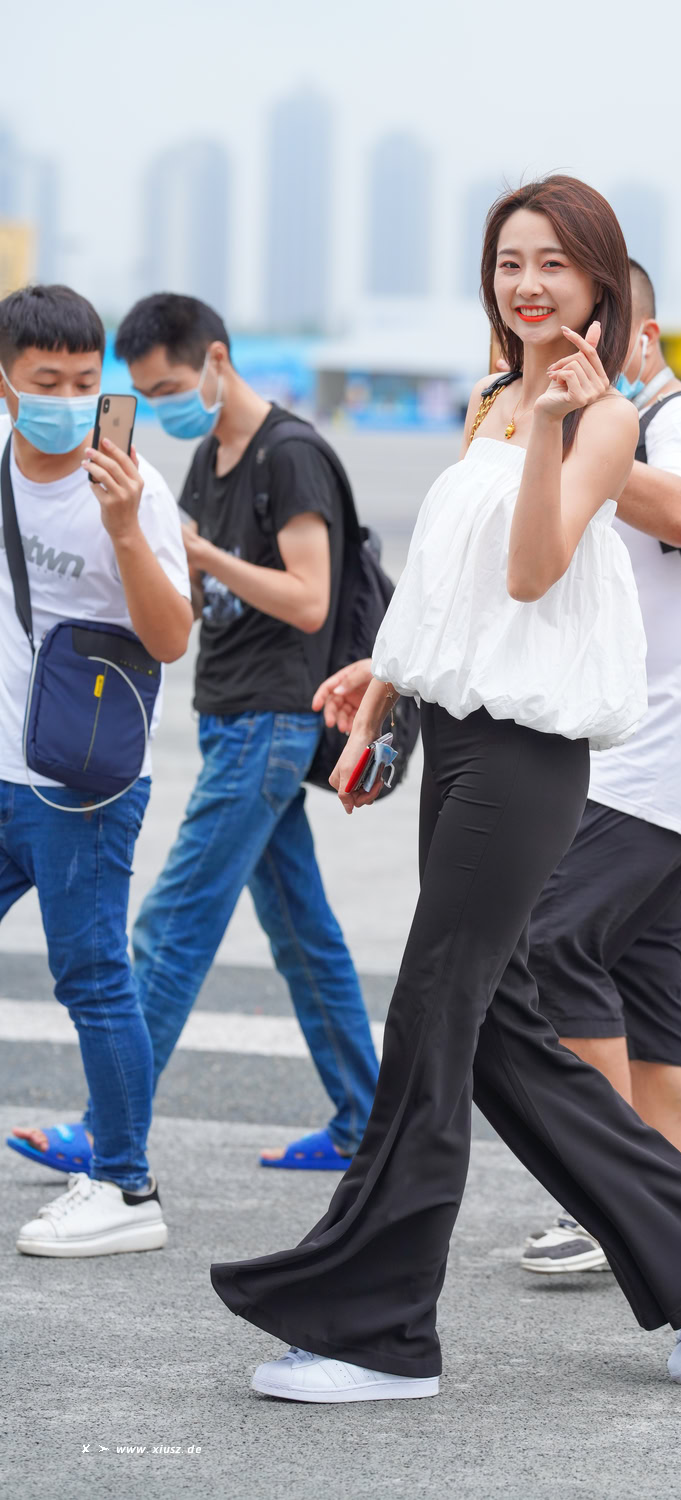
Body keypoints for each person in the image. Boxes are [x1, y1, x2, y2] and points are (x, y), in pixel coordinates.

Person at [208, 176, 681, 1405]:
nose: (527, 285)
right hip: (458, 737)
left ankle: (379, 1333)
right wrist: (381, 685)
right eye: (509, 262)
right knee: (502, 1033)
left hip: (528, 759)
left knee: (432, 1016)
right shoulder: (486, 398)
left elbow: (532, 572)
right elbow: (448, 578)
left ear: (598, 284)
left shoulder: (608, 421)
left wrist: (557, 429)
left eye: (553, 265)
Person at [8, 294, 379, 1177]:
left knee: (171, 927)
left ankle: (107, 1137)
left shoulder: (288, 455)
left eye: (168, 388)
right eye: (143, 394)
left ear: (215, 360)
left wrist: (199, 554)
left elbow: (311, 600)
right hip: (233, 716)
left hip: (271, 722)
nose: (158, 406)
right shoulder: (213, 455)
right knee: (303, 934)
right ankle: (365, 1121)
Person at [520, 257, 681, 1274]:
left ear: (642, 339)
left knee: (550, 941)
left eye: (595, 335)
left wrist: (590, 429)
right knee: (645, 973)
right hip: (632, 748)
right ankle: (674, 1205)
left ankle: (613, 1200)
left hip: (662, 752)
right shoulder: (606, 425)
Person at [0, 284, 192, 1255]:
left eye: (86, 382)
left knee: (93, 979)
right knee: (96, 977)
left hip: (80, 784)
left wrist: (120, 528)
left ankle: (124, 1186)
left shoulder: (133, 489)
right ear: (5, 383)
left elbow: (170, 638)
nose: (70, 401)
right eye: (48, 382)